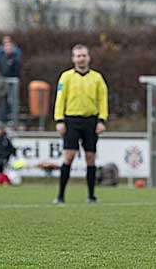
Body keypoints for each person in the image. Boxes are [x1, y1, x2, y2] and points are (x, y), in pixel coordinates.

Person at [53, 44, 108, 204]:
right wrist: (59, 120)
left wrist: (102, 120)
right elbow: (60, 99)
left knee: (90, 157)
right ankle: (60, 196)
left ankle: (91, 196)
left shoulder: (97, 78)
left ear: (88, 57)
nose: (81, 58)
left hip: (90, 121)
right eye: (78, 56)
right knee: (68, 156)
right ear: (73, 59)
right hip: (71, 120)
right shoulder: (66, 77)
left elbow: (102, 100)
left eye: (83, 55)